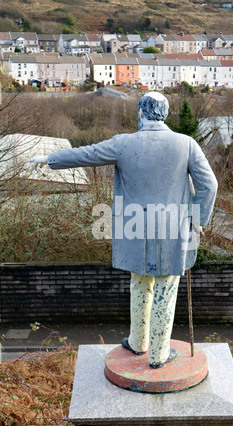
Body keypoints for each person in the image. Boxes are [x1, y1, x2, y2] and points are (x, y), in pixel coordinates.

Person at [30, 92, 218, 369]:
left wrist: (50, 158)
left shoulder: (123, 143)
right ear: (164, 114)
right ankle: (158, 354)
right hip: (174, 230)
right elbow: (209, 185)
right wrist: (197, 217)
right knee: (166, 289)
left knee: (140, 284)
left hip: (135, 229)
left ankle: (139, 342)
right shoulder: (186, 144)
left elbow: (86, 153)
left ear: (141, 114)